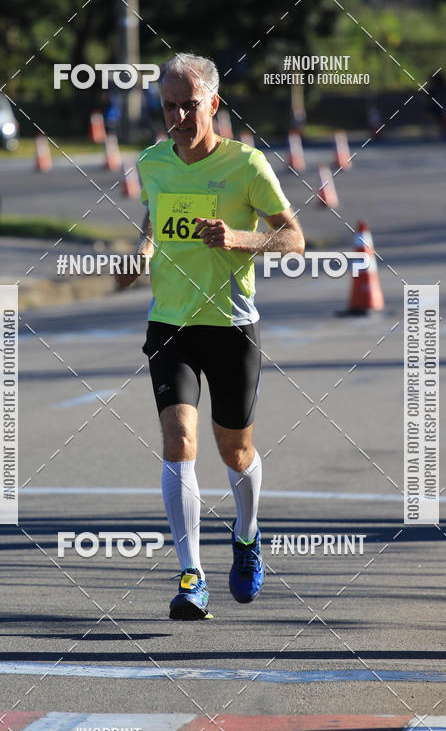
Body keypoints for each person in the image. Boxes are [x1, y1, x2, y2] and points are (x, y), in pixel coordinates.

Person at [117, 52, 305, 619]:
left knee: (236, 450)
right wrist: (141, 252)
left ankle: (246, 539)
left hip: (229, 325)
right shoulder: (152, 161)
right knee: (178, 443)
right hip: (171, 322)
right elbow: (154, 215)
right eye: (168, 106)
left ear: (214, 104)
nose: (177, 117)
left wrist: (241, 240)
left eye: (188, 105)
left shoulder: (246, 166)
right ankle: (190, 576)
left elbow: (294, 239)